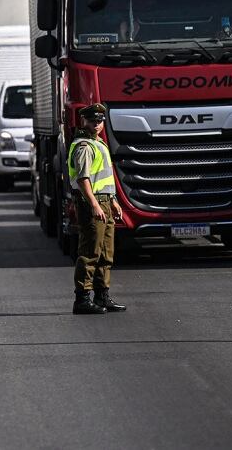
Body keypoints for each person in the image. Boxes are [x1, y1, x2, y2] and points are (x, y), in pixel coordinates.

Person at [68, 103, 127, 315]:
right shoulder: (84, 146)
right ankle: (82, 298)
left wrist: (113, 201)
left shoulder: (98, 143)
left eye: (100, 120)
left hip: (104, 202)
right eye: (93, 120)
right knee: (90, 252)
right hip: (91, 203)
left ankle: (102, 296)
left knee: (105, 252)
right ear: (83, 121)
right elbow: (83, 179)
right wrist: (94, 204)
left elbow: (104, 177)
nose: (97, 124)